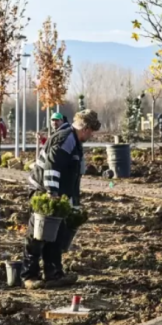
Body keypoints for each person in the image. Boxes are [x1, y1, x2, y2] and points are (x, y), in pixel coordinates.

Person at [22, 109, 102, 289]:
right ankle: (29, 275)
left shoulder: (73, 140)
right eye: (91, 131)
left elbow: (71, 175)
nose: (91, 135)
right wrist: (51, 191)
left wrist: (72, 201)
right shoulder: (66, 138)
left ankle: (53, 273)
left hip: (58, 193)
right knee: (38, 233)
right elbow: (52, 164)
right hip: (43, 191)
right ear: (85, 128)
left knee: (55, 234)